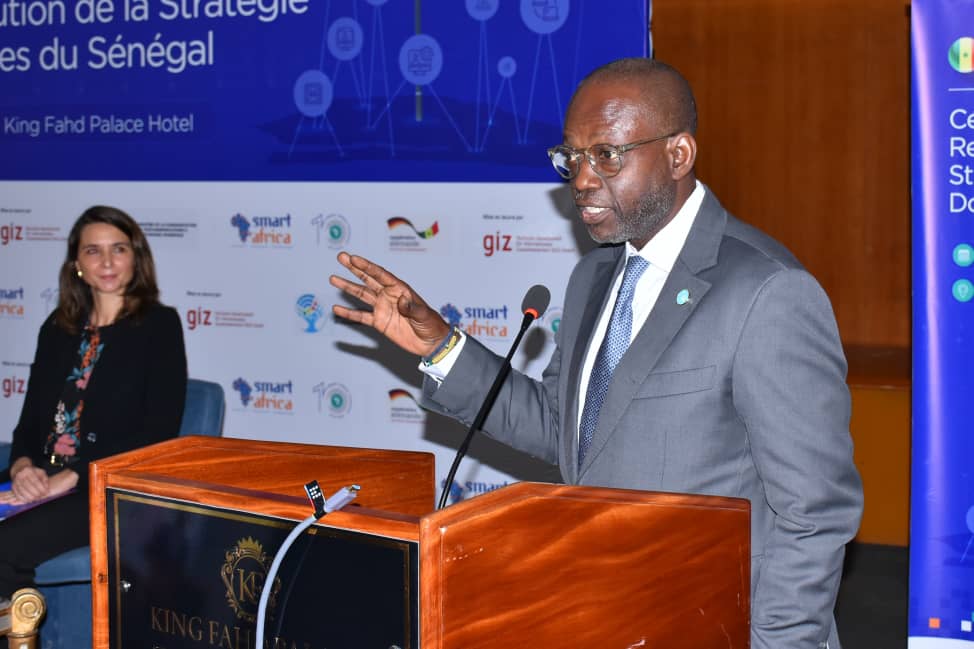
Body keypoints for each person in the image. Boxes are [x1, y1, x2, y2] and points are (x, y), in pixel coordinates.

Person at [330, 57, 863, 648]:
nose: (582, 179)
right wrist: (441, 346)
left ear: (678, 155)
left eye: (607, 155)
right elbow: (564, 429)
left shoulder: (766, 291)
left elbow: (815, 510)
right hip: (599, 616)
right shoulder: (594, 277)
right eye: (572, 157)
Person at [0, 205, 187, 597]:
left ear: (136, 257)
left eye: (118, 249)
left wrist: (72, 477)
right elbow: (29, 422)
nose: (106, 262)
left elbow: (157, 434)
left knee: (4, 546)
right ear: (77, 264)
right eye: (92, 250)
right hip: (42, 475)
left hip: (110, 487)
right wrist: (22, 468)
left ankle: (18, 629)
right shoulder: (57, 328)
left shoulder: (159, 326)